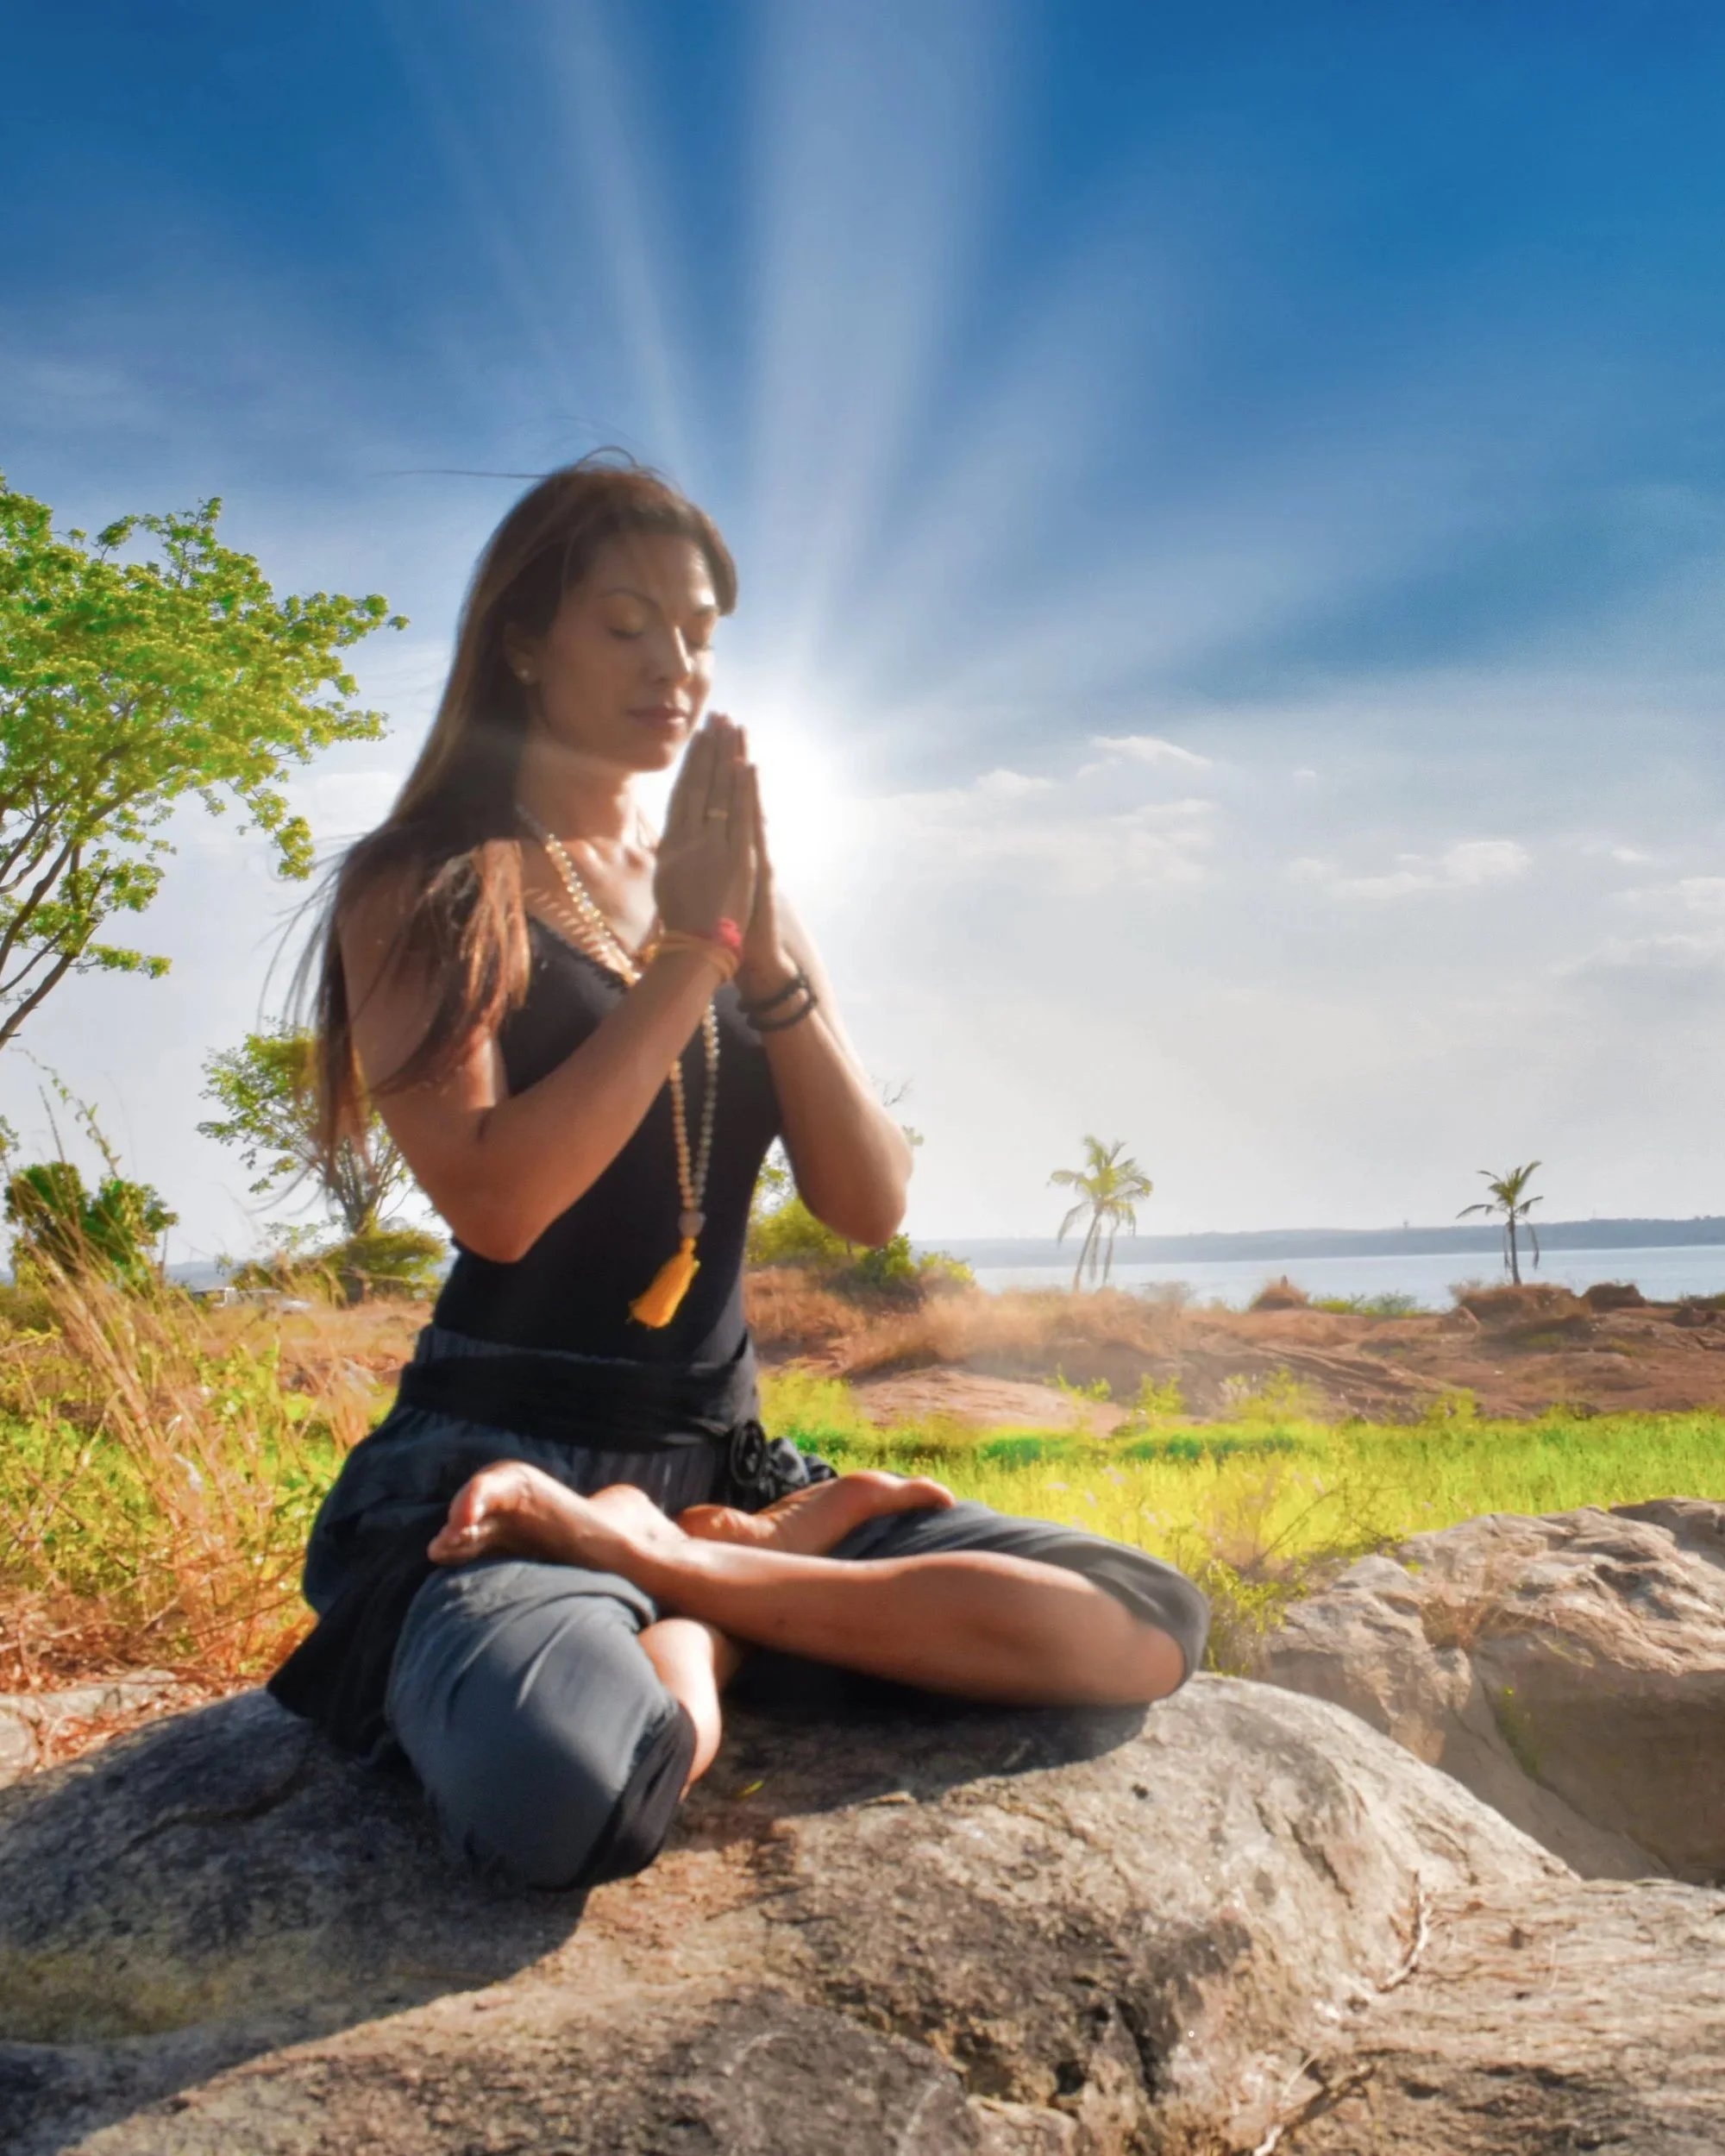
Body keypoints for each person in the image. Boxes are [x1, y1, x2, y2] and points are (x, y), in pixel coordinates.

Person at [271, 455, 1209, 1894]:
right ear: (524, 640)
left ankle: (682, 1572)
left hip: (727, 1477)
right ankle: (702, 1607)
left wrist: (760, 957)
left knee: (1138, 1620)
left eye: (701, 629)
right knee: (568, 1792)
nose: (678, 664)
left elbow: (868, 1201)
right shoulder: (429, 879)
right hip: (493, 1471)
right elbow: (497, 1200)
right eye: (628, 624)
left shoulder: (732, 883)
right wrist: (690, 954)